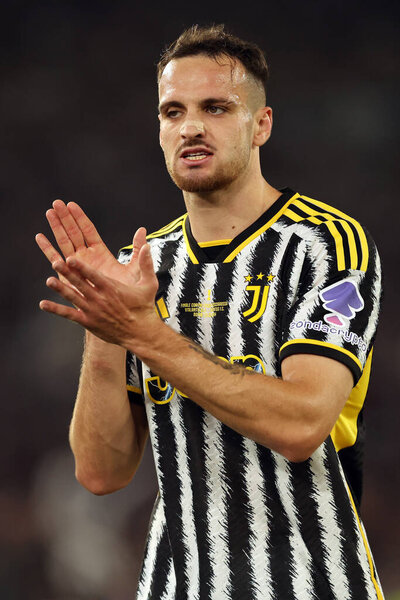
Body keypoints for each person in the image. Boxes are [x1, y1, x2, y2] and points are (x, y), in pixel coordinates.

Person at [36, 24, 384, 600]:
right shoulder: (142, 268)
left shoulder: (326, 245)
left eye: (216, 107)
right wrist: (104, 329)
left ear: (260, 125)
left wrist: (145, 334)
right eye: (173, 112)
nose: (191, 126)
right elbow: (101, 473)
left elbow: (300, 426)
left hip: (311, 582)